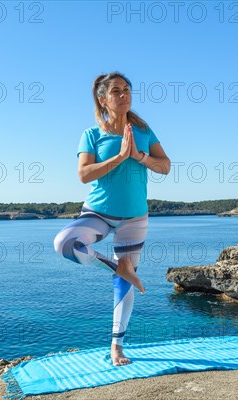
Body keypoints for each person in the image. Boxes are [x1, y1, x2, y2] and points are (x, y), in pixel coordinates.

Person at [53, 72, 171, 366]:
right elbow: (83, 175)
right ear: (102, 99)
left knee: (124, 285)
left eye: (127, 89)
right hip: (97, 213)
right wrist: (118, 158)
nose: (124, 94)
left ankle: (117, 347)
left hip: (134, 218)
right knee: (65, 244)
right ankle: (118, 266)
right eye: (116, 91)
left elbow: (165, 166)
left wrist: (139, 156)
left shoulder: (144, 131)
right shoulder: (91, 134)